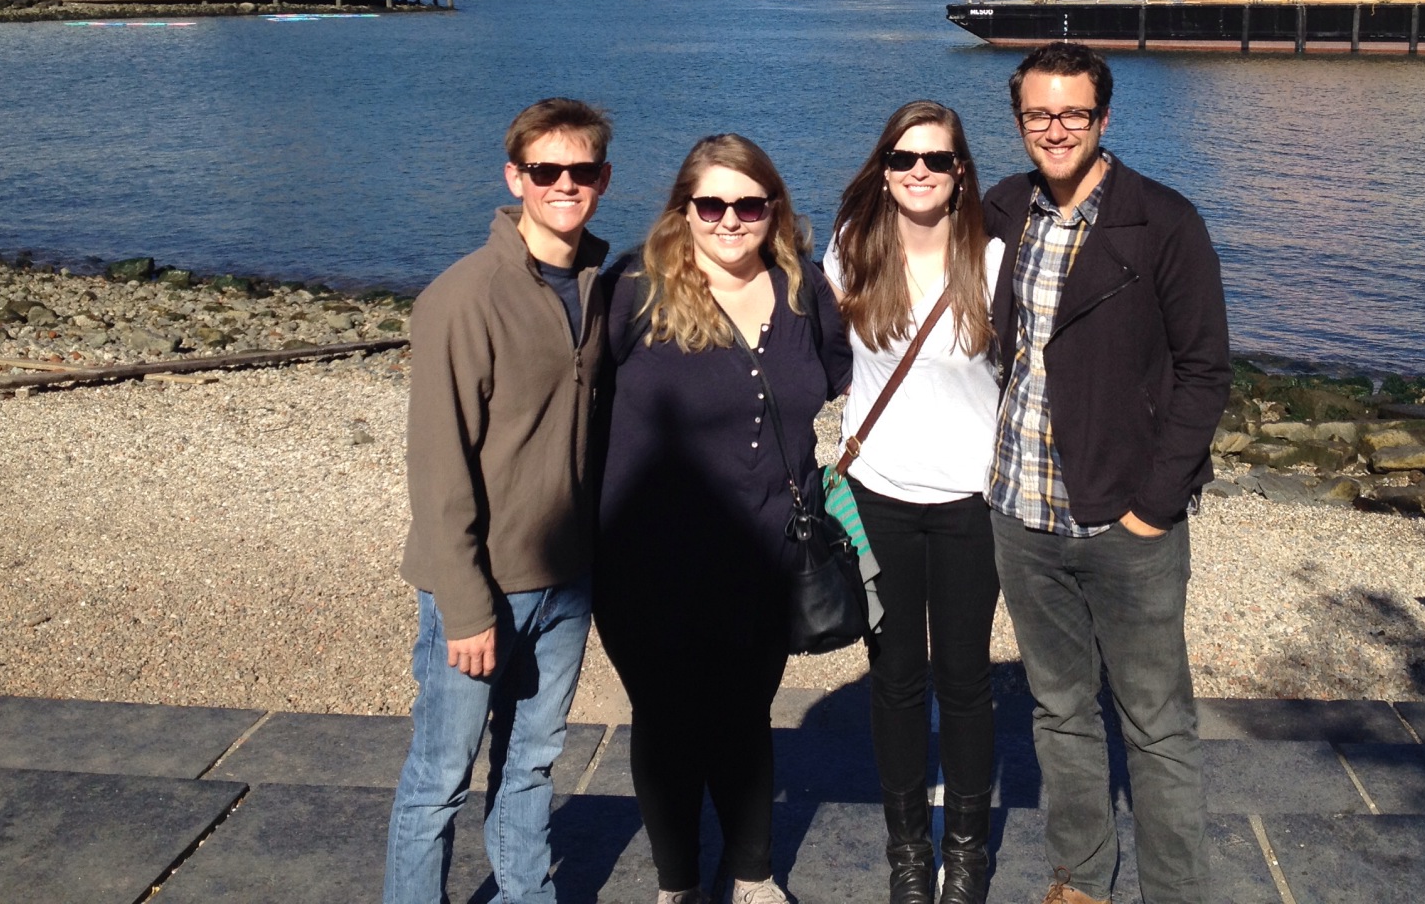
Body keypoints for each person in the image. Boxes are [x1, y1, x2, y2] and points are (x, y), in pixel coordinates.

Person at [981, 42, 1230, 904]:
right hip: (1021, 510)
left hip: (1126, 517)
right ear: (1019, 122)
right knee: (1059, 711)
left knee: (1157, 726)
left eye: (1073, 114)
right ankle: (1081, 878)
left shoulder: (1163, 223)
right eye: (1038, 115)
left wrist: (1155, 508)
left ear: (1104, 120)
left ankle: (1174, 890)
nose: (1055, 130)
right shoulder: (1004, 208)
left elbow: (1205, 371)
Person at [596, 134, 851, 904]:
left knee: (744, 718)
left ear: (774, 209)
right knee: (668, 723)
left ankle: (752, 874)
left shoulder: (805, 288)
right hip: (648, 560)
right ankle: (677, 883)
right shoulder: (634, 292)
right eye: (712, 204)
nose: (730, 220)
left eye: (748, 204)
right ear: (684, 211)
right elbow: (572, 402)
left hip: (766, 553)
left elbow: (844, 378)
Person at [384, 98, 616, 904]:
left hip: (567, 581)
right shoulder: (463, 298)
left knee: (531, 769)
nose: (565, 185)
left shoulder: (598, 285)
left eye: (581, 171)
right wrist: (466, 606)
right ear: (515, 176)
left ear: (603, 179)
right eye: (546, 170)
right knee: (439, 778)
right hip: (484, 588)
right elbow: (439, 466)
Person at [825, 102, 1006, 904]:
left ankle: (964, 853)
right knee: (895, 676)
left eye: (936, 158)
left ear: (961, 168)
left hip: (973, 501)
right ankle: (907, 850)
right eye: (904, 159)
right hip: (879, 497)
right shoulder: (851, 253)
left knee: (965, 679)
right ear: (885, 169)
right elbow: (808, 351)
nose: (920, 171)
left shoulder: (995, 259)